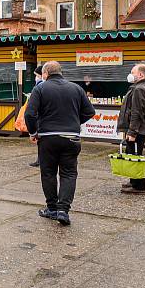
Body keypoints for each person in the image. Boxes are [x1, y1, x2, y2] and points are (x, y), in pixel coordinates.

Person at [25, 61, 95, 226]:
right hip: (71, 137)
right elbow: (90, 112)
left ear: (46, 74)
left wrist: (33, 132)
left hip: (48, 138)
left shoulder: (40, 88)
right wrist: (75, 122)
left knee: (48, 173)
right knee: (69, 173)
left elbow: (30, 114)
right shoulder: (76, 88)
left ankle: (52, 208)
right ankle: (63, 210)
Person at [117, 63, 145, 195]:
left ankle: (139, 187)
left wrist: (132, 132)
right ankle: (134, 181)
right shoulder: (144, 86)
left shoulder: (140, 89)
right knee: (133, 154)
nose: (130, 74)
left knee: (135, 156)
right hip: (141, 128)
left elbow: (136, 112)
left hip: (138, 130)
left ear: (140, 75)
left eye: (132, 72)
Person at [28, 65, 44, 168]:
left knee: (41, 141)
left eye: (36, 75)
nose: (35, 77)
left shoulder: (40, 86)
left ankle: (40, 160)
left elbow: (29, 113)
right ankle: (40, 160)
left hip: (41, 119)